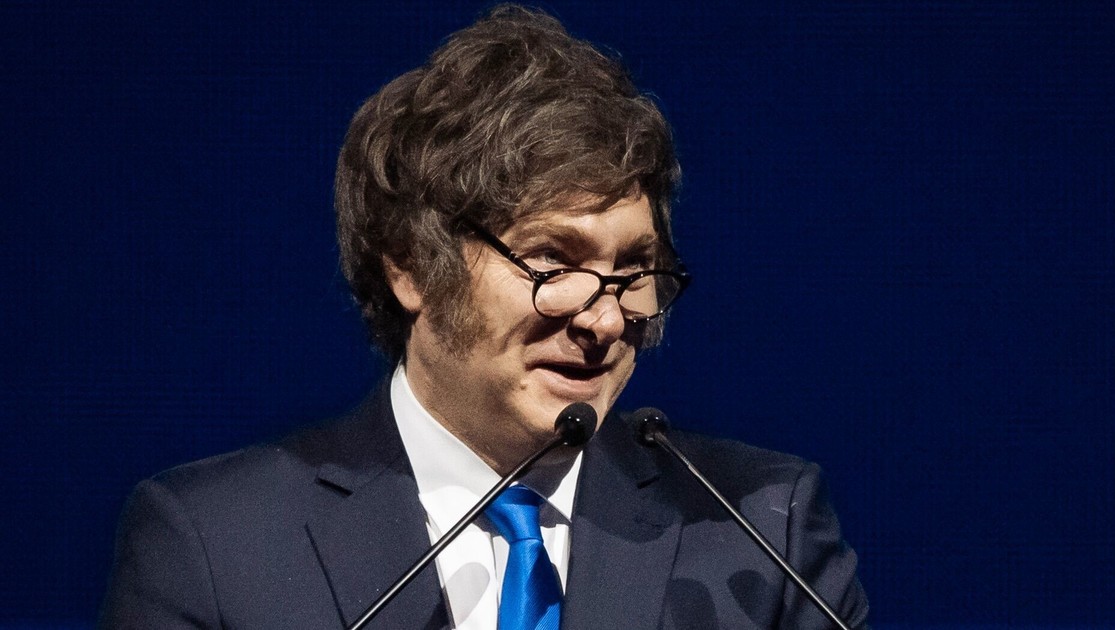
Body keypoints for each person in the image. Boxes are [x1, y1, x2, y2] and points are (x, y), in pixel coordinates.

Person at [100, 5, 870, 629]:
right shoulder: (214, 545)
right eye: (554, 261)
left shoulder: (759, 534)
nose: (605, 320)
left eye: (634, 269)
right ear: (410, 266)